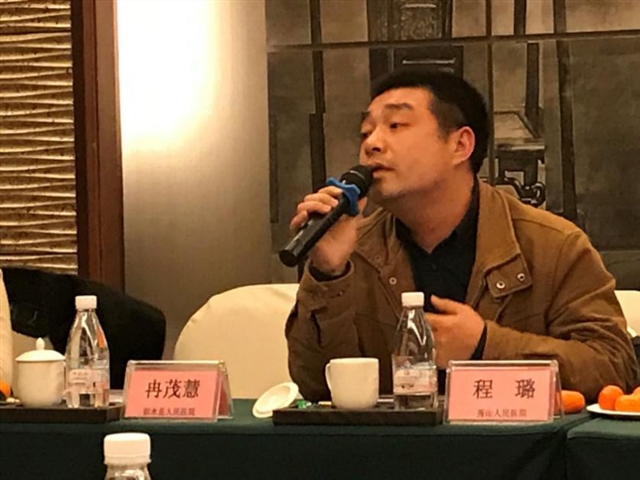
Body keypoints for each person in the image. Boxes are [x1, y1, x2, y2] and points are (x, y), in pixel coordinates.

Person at [285, 68, 639, 403]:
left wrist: (485, 345)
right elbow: (315, 386)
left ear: (460, 145)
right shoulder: (354, 251)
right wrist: (328, 274)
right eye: (366, 132)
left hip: (516, 446)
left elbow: (615, 367)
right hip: (393, 447)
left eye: (395, 125)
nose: (372, 144)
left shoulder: (553, 245)